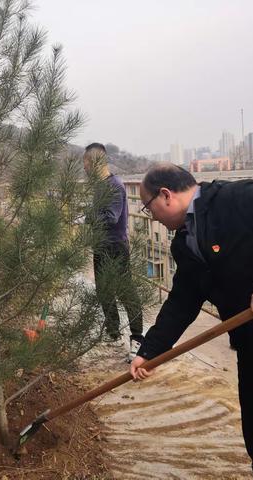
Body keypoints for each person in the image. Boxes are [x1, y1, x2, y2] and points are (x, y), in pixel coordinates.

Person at [130, 163, 253, 479]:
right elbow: (182, 303)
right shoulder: (184, 243)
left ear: (165, 196)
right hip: (251, 343)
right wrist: (150, 350)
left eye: (149, 208)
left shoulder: (237, 198)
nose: (153, 218)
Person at [83, 143, 144, 362]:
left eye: (86, 163)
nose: (85, 168)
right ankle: (113, 332)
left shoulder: (114, 185)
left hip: (115, 246)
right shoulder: (99, 186)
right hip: (101, 246)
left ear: (96, 162)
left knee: (126, 292)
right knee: (104, 291)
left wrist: (87, 216)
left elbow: (111, 217)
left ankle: (137, 338)